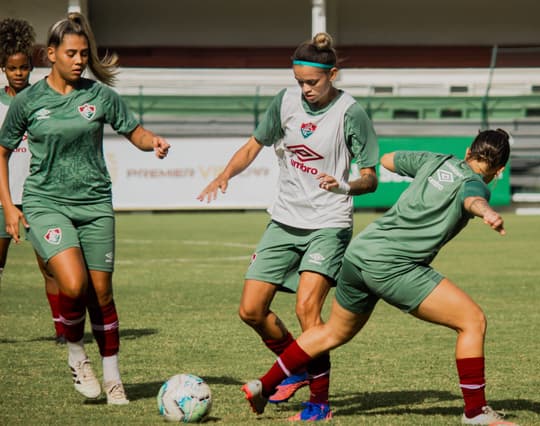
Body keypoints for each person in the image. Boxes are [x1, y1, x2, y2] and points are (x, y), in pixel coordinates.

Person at [242, 129, 518, 425]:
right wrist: (486, 212)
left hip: (359, 253)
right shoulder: (476, 184)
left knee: (333, 332)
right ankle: (475, 412)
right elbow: (472, 199)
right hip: (393, 265)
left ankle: (265, 384)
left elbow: (387, 161)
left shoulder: (436, 160)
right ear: (500, 170)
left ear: (467, 151)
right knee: (472, 321)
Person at [198, 32, 379, 420]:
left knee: (307, 310)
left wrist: (344, 184)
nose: (305, 89)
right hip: (283, 221)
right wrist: (224, 174)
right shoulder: (284, 102)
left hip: (328, 225)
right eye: (299, 81)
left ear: (333, 75)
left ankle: (320, 402)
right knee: (250, 310)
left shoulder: (351, 113)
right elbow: (253, 145)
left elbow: (371, 178)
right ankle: (293, 365)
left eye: (312, 82)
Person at [0, 12, 170, 405]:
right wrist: (10, 206)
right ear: (52, 54)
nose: (80, 60)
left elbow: (135, 132)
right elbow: (3, 150)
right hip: (46, 203)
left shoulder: (100, 96)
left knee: (102, 293)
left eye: (84, 53)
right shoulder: (28, 100)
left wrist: (154, 142)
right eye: (72, 53)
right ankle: (77, 355)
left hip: (95, 204)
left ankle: (113, 378)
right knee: (73, 285)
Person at [0, 18, 67, 344]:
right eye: (13, 68)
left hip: (40, 197)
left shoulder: (43, 99)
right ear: (3, 68)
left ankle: (61, 329)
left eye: (25, 68)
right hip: (4, 200)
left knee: (51, 267)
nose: (19, 73)